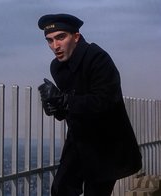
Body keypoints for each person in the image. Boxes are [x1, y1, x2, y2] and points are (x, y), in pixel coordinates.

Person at [37, 13, 142, 196]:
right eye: (50, 40)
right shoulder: (57, 67)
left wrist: (64, 100)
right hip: (79, 139)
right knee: (60, 190)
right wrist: (54, 107)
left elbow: (106, 102)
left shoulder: (98, 58)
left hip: (106, 144)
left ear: (76, 37)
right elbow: (69, 110)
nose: (55, 46)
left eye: (61, 37)